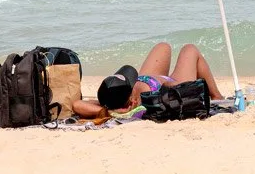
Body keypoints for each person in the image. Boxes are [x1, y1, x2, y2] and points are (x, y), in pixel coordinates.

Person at [72, 42, 224, 121]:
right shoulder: (147, 99)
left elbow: (77, 104)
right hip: (170, 84)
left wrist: (109, 111)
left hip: (148, 77)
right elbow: (168, 91)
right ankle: (216, 95)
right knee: (190, 50)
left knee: (163, 47)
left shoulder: (110, 101)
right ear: (131, 99)